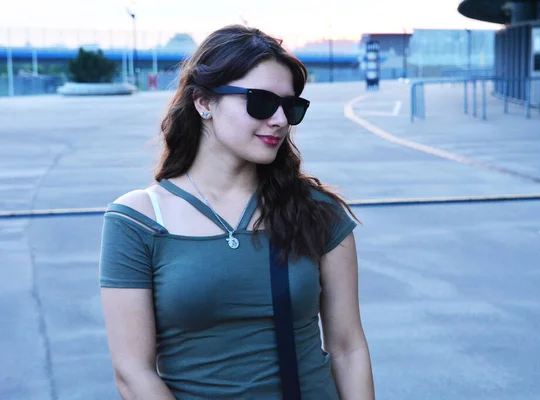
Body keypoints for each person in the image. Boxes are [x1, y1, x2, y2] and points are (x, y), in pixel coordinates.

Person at [99, 24, 375, 400]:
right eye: (260, 101)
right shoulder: (138, 220)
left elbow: (348, 348)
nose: (279, 120)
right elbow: (133, 373)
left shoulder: (316, 211)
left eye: (290, 107)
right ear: (203, 102)